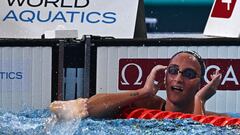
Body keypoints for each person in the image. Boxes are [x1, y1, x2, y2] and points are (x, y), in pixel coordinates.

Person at [50, 50, 224, 120]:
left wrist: (199, 100)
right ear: (165, 77)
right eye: (173, 70)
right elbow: (90, 108)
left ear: (200, 84)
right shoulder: (147, 104)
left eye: (188, 74)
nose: (178, 79)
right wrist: (143, 92)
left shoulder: (214, 118)